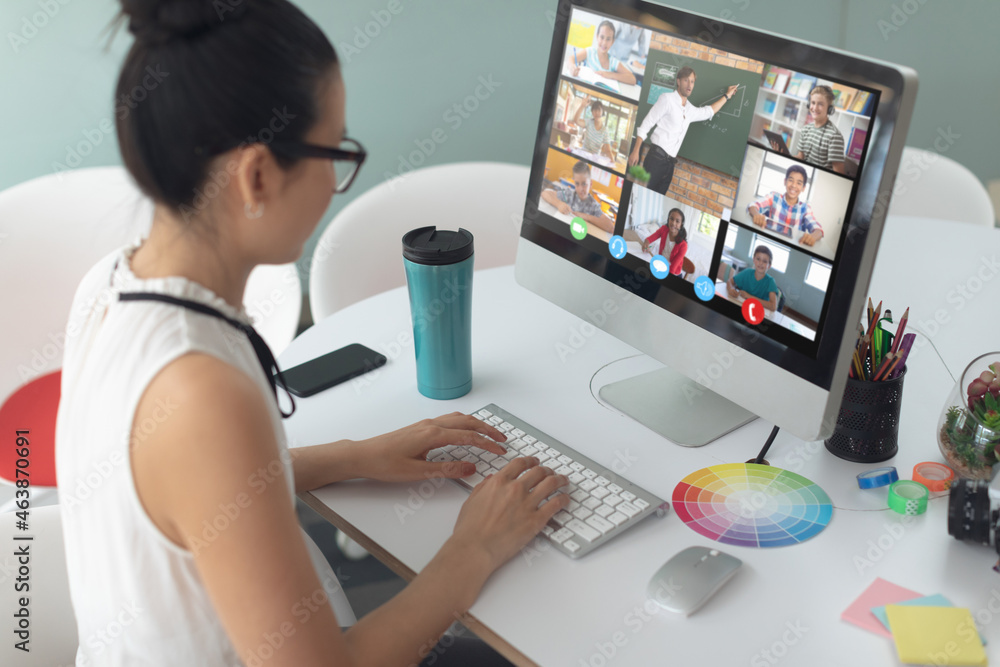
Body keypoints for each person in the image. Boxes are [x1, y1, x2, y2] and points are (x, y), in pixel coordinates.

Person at [55, 2, 569, 665]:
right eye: (336, 152)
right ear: (258, 174)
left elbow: (192, 488)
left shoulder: (107, 286)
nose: (335, 182)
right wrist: (475, 547)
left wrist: (356, 454)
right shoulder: (202, 391)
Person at [627, 66, 738, 195]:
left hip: (670, 165)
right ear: (678, 81)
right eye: (686, 80)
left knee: (655, 198)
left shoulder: (690, 109)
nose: (689, 84)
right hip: (656, 158)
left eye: (692, 81)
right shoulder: (667, 99)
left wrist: (727, 96)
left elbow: (709, 112)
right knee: (642, 196)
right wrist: (635, 151)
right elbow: (647, 123)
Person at [747, 164, 824, 247]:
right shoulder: (774, 197)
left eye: (799, 183)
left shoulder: (805, 208)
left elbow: (818, 230)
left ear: (803, 188)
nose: (794, 185)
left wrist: (813, 237)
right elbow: (753, 205)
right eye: (791, 180)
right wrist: (756, 215)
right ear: (785, 181)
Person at [783, 85, 846, 174]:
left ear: (829, 109)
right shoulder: (805, 129)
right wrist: (785, 155)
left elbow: (839, 174)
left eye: (820, 104)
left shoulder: (834, 136)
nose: (815, 108)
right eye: (813, 103)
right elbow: (801, 157)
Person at [540, 160, 614, 233]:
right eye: (577, 184)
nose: (580, 189)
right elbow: (545, 193)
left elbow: (611, 227)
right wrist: (558, 203)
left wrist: (587, 216)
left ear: (590, 184)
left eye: (584, 184)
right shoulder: (570, 194)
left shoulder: (593, 205)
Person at [565, 20, 637, 86]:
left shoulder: (613, 62)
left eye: (608, 39)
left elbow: (632, 79)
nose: (604, 43)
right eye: (602, 37)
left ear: (612, 42)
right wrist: (572, 67)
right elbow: (571, 58)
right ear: (597, 37)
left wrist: (610, 74)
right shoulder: (589, 52)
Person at [727, 245, 779, 312]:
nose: (761, 263)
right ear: (754, 260)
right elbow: (730, 281)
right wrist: (731, 288)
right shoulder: (747, 272)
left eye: (765, 261)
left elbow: (773, 306)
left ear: (769, 266)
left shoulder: (771, 281)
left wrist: (749, 296)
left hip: (758, 312)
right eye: (758, 259)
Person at [640, 207, 688, 275]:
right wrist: (646, 242)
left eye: (677, 221)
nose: (673, 223)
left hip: (673, 272)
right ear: (668, 219)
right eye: (671, 219)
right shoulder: (664, 229)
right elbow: (650, 238)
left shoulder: (683, 245)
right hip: (660, 264)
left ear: (681, 225)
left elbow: (672, 269)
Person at [572, 96, 614, 162]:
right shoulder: (588, 122)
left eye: (599, 110)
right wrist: (582, 106)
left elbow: (608, 150)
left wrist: (612, 161)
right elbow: (576, 121)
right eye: (594, 110)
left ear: (602, 112)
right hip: (583, 155)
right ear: (592, 112)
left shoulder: (605, 130)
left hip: (594, 160)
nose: (597, 112)